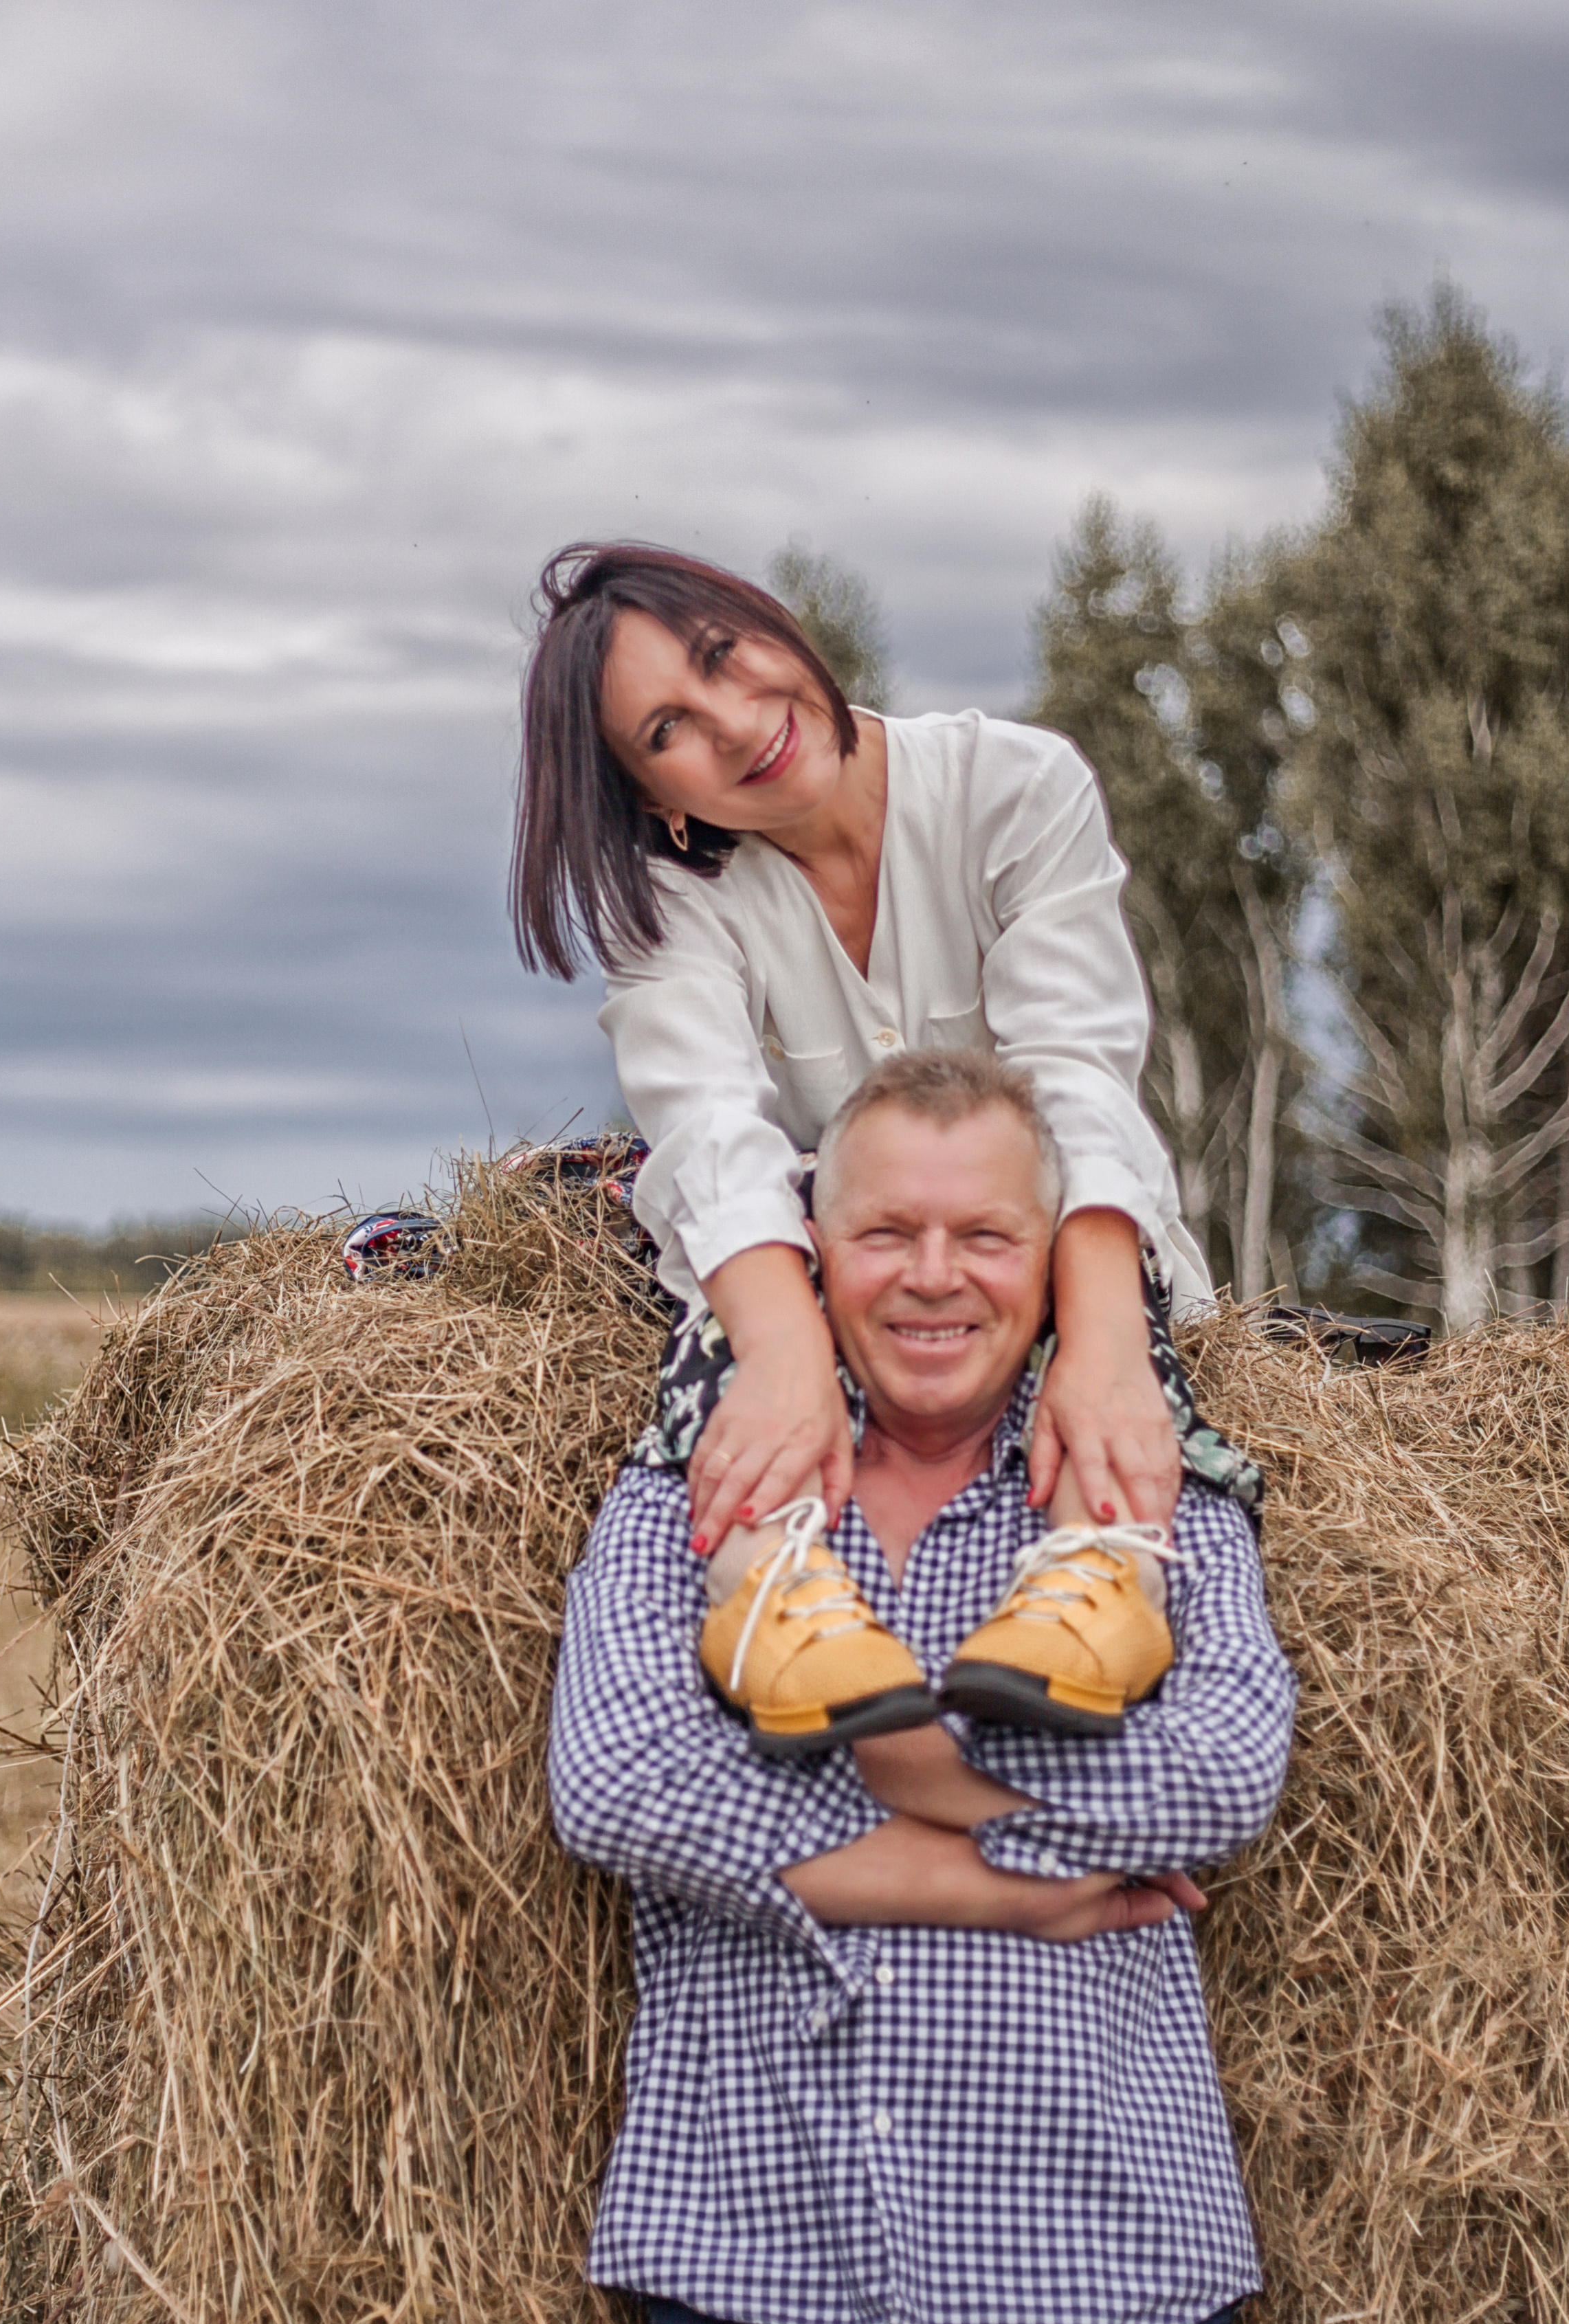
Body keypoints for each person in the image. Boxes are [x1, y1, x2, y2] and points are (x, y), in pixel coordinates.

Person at [550, 1051, 1296, 2324]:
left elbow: (1219, 1774)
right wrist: (993, 1879)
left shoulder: (1139, 1496)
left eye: (984, 1237)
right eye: (886, 1234)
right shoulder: (698, 1491)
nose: (935, 1278)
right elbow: (617, 1782)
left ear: (1058, 1261)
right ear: (809, 1247)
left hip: (1108, 2292)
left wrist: (891, 1782)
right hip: (770, 2289)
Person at [511, 542, 1262, 1758]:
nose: (738, 721)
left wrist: (1112, 1346)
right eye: (670, 730)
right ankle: (769, 1594)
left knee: (1069, 1270)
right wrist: (789, 1355)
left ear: (776, 625)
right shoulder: (666, 901)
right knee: (752, 1268)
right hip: (827, 1255)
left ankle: (1104, 1578)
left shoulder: (1014, 789)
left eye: (724, 658)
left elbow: (1078, 1079)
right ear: (657, 797)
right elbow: (706, 1125)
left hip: (1042, 1235)